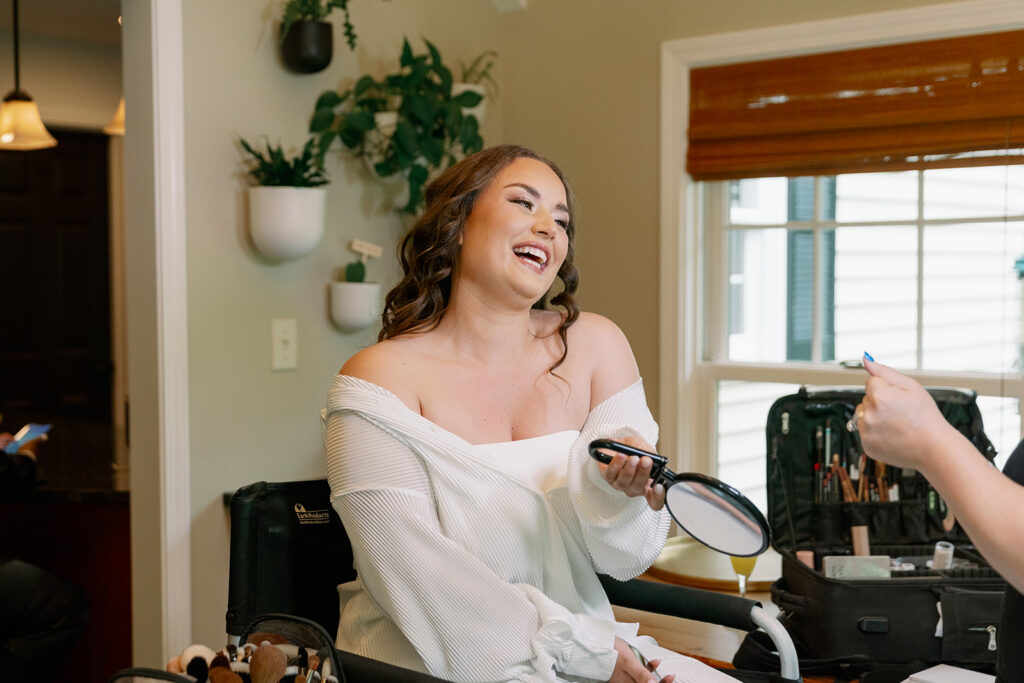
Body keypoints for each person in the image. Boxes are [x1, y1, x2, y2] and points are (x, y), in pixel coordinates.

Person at [323, 145, 733, 682]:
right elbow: (415, 574)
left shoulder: (595, 346)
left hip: (584, 650)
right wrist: (587, 654)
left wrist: (625, 495)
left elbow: (627, 558)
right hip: (426, 662)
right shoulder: (376, 379)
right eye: (524, 203)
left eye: (561, 221)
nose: (549, 229)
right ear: (458, 224)